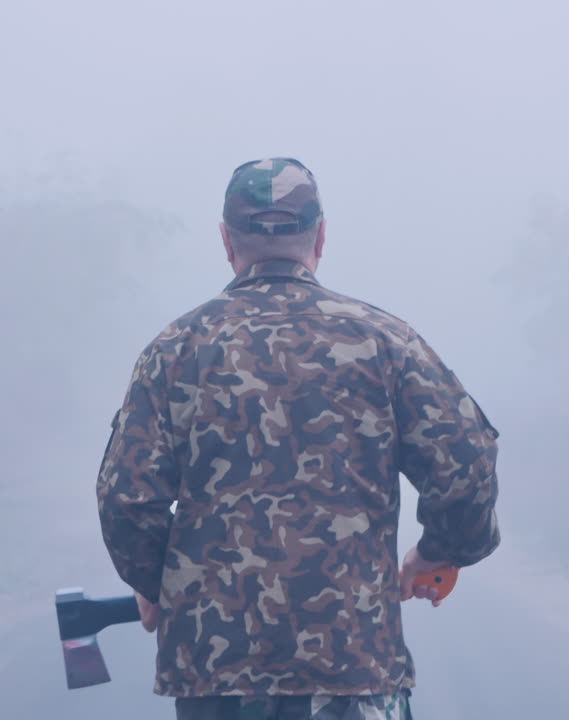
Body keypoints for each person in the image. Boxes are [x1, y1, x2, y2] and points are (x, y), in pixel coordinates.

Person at [96, 157, 501, 720]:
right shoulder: (384, 342)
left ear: (225, 240)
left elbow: (126, 499)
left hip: (217, 680)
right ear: (322, 236)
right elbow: (466, 464)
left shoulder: (174, 351)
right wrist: (438, 553)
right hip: (353, 674)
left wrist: (160, 584)